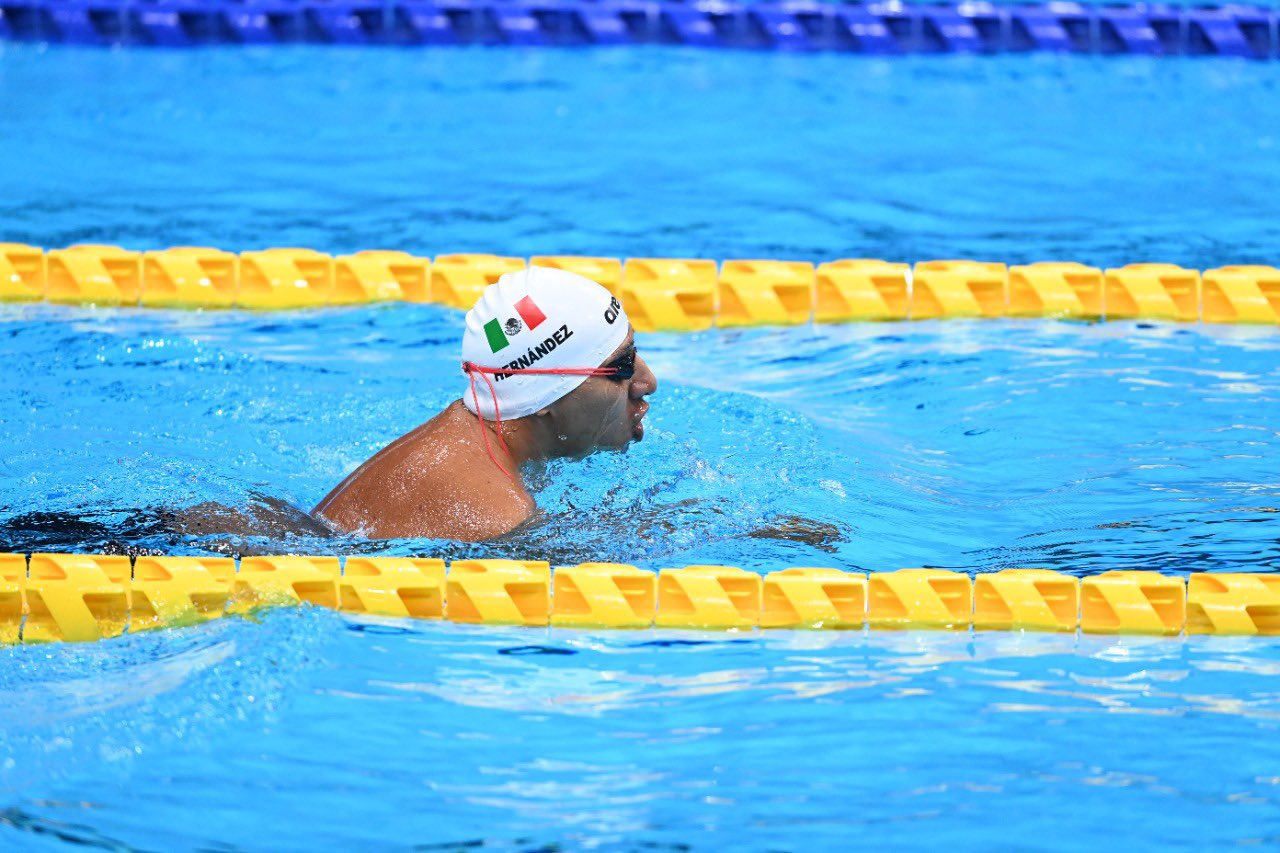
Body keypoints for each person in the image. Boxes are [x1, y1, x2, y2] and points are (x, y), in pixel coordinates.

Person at [313, 266, 658, 542]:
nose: (646, 382)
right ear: (541, 395)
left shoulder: (467, 440)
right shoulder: (499, 515)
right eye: (623, 365)